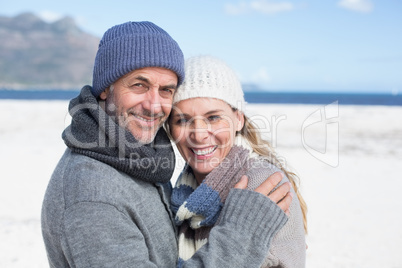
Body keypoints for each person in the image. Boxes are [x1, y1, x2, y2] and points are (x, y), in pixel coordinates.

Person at [41, 21, 293, 267]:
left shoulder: (139, 160)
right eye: (139, 85)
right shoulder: (92, 193)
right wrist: (242, 235)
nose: (154, 105)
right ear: (106, 88)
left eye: (166, 90)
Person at [167, 55, 308, 267]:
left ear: (238, 119)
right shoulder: (184, 190)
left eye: (213, 117)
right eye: (182, 120)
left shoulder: (260, 182)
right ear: (169, 128)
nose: (198, 134)